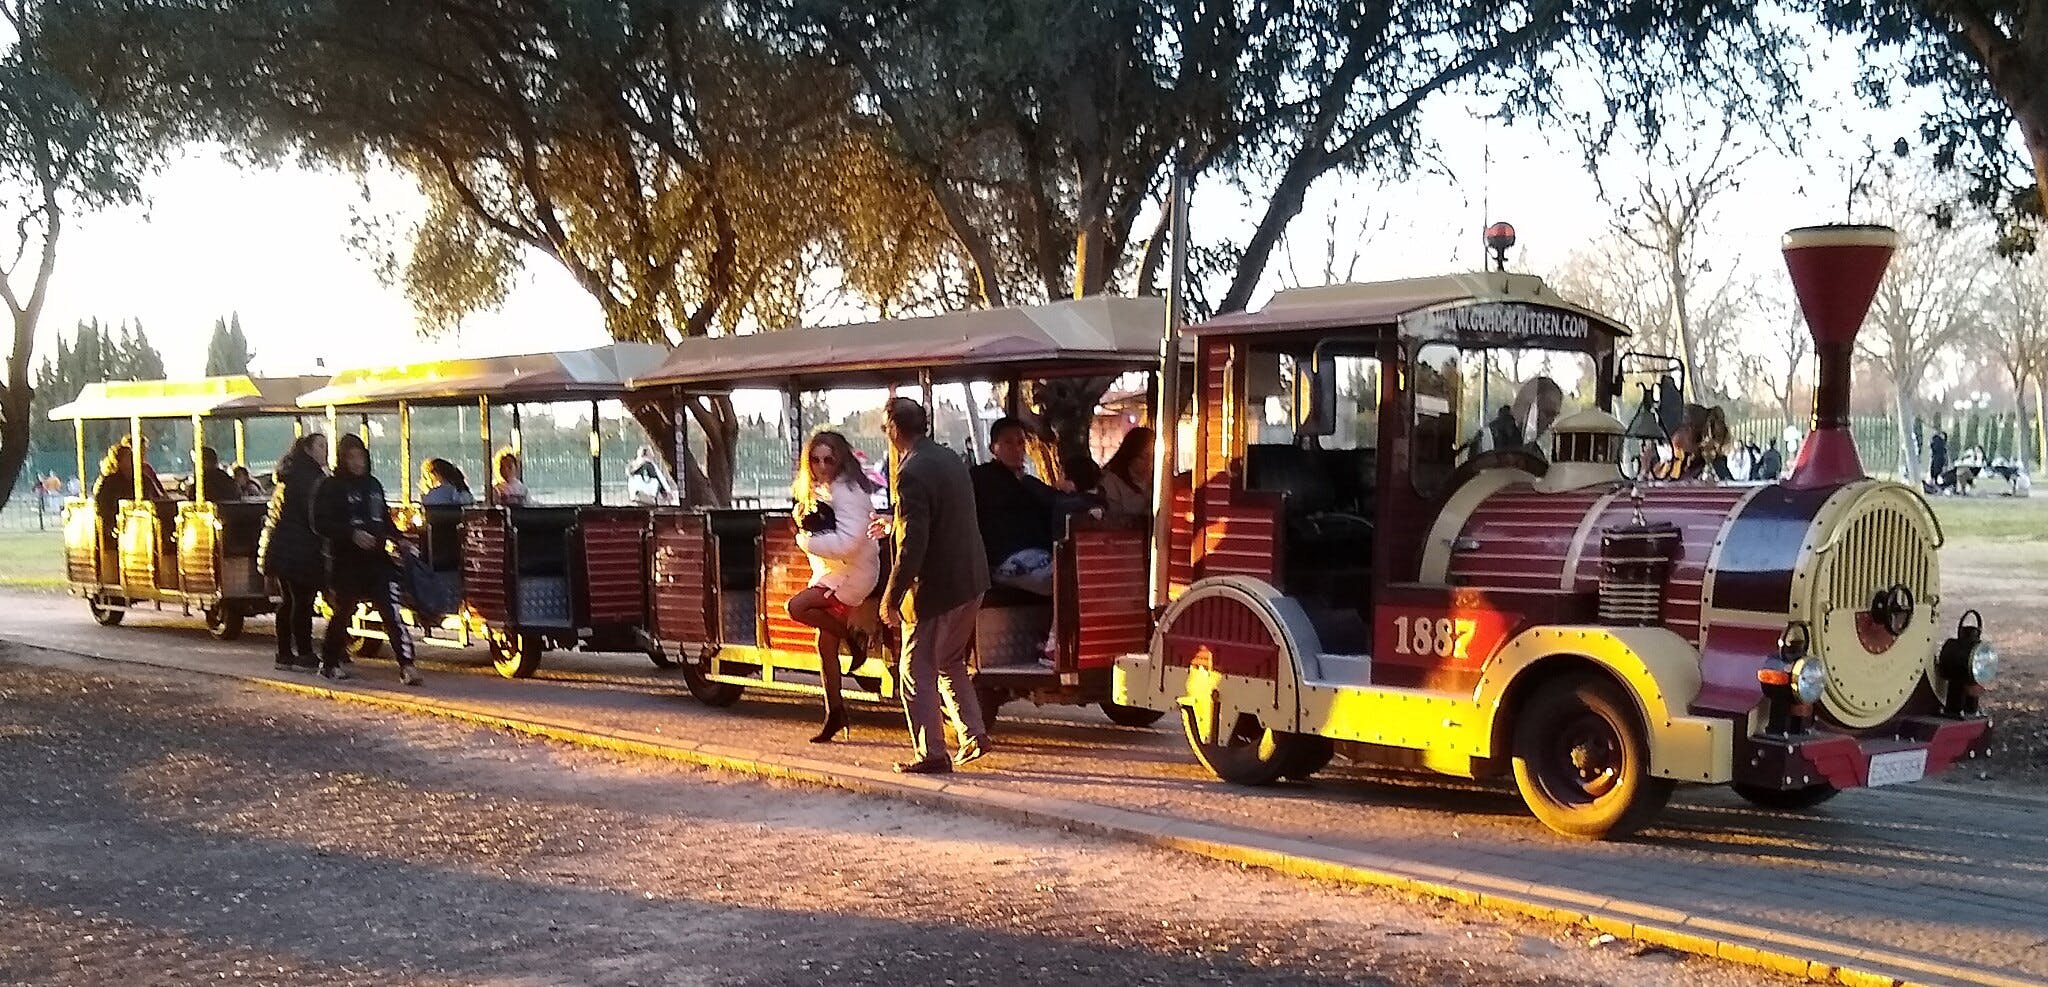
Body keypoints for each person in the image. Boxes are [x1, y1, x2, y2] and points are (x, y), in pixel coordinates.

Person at [877, 397, 992, 774]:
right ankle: (973, 734)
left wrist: (891, 596)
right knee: (950, 660)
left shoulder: (910, 471)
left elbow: (914, 544)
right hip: (971, 578)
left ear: (894, 428)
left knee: (915, 671)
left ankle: (932, 753)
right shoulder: (949, 459)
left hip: (937, 588)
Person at [786, 430, 882, 744]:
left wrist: (805, 540)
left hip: (852, 573)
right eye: (815, 460)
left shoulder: (847, 490)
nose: (822, 465)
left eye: (829, 459)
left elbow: (848, 543)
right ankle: (835, 712)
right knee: (824, 647)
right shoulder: (818, 489)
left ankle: (854, 639)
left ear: (840, 459)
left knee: (797, 608)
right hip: (835, 572)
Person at [313, 434, 421, 685]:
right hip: (345, 561)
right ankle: (329, 662)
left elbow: (383, 519)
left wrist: (398, 538)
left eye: (360, 456)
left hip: (377, 559)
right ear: (342, 459)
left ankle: (407, 664)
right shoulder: (331, 487)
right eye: (351, 457)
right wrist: (351, 534)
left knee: (391, 610)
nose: (357, 463)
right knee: (343, 612)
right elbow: (320, 523)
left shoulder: (373, 485)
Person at [969, 417, 1073, 597]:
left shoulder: (1028, 483)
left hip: (1041, 553)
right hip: (1005, 557)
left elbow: (1053, 503)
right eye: (1008, 443)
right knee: (1062, 582)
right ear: (993, 448)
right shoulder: (980, 479)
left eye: (1020, 443)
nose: (1016, 449)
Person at [260, 433, 330, 673]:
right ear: (309, 450)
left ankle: (284, 653)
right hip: (302, 547)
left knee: (289, 601)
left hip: (282, 546)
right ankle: (304, 652)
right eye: (321, 446)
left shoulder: (288, 476)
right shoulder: (313, 478)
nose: (325, 451)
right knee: (302, 601)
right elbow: (317, 516)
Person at [1095, 426, 1155, 524]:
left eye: (1153, 457)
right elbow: (1115, 516)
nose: (1149, 463)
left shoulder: (1156, 482)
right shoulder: (1111, 482)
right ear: (1131, 455)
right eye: (1145, 457)